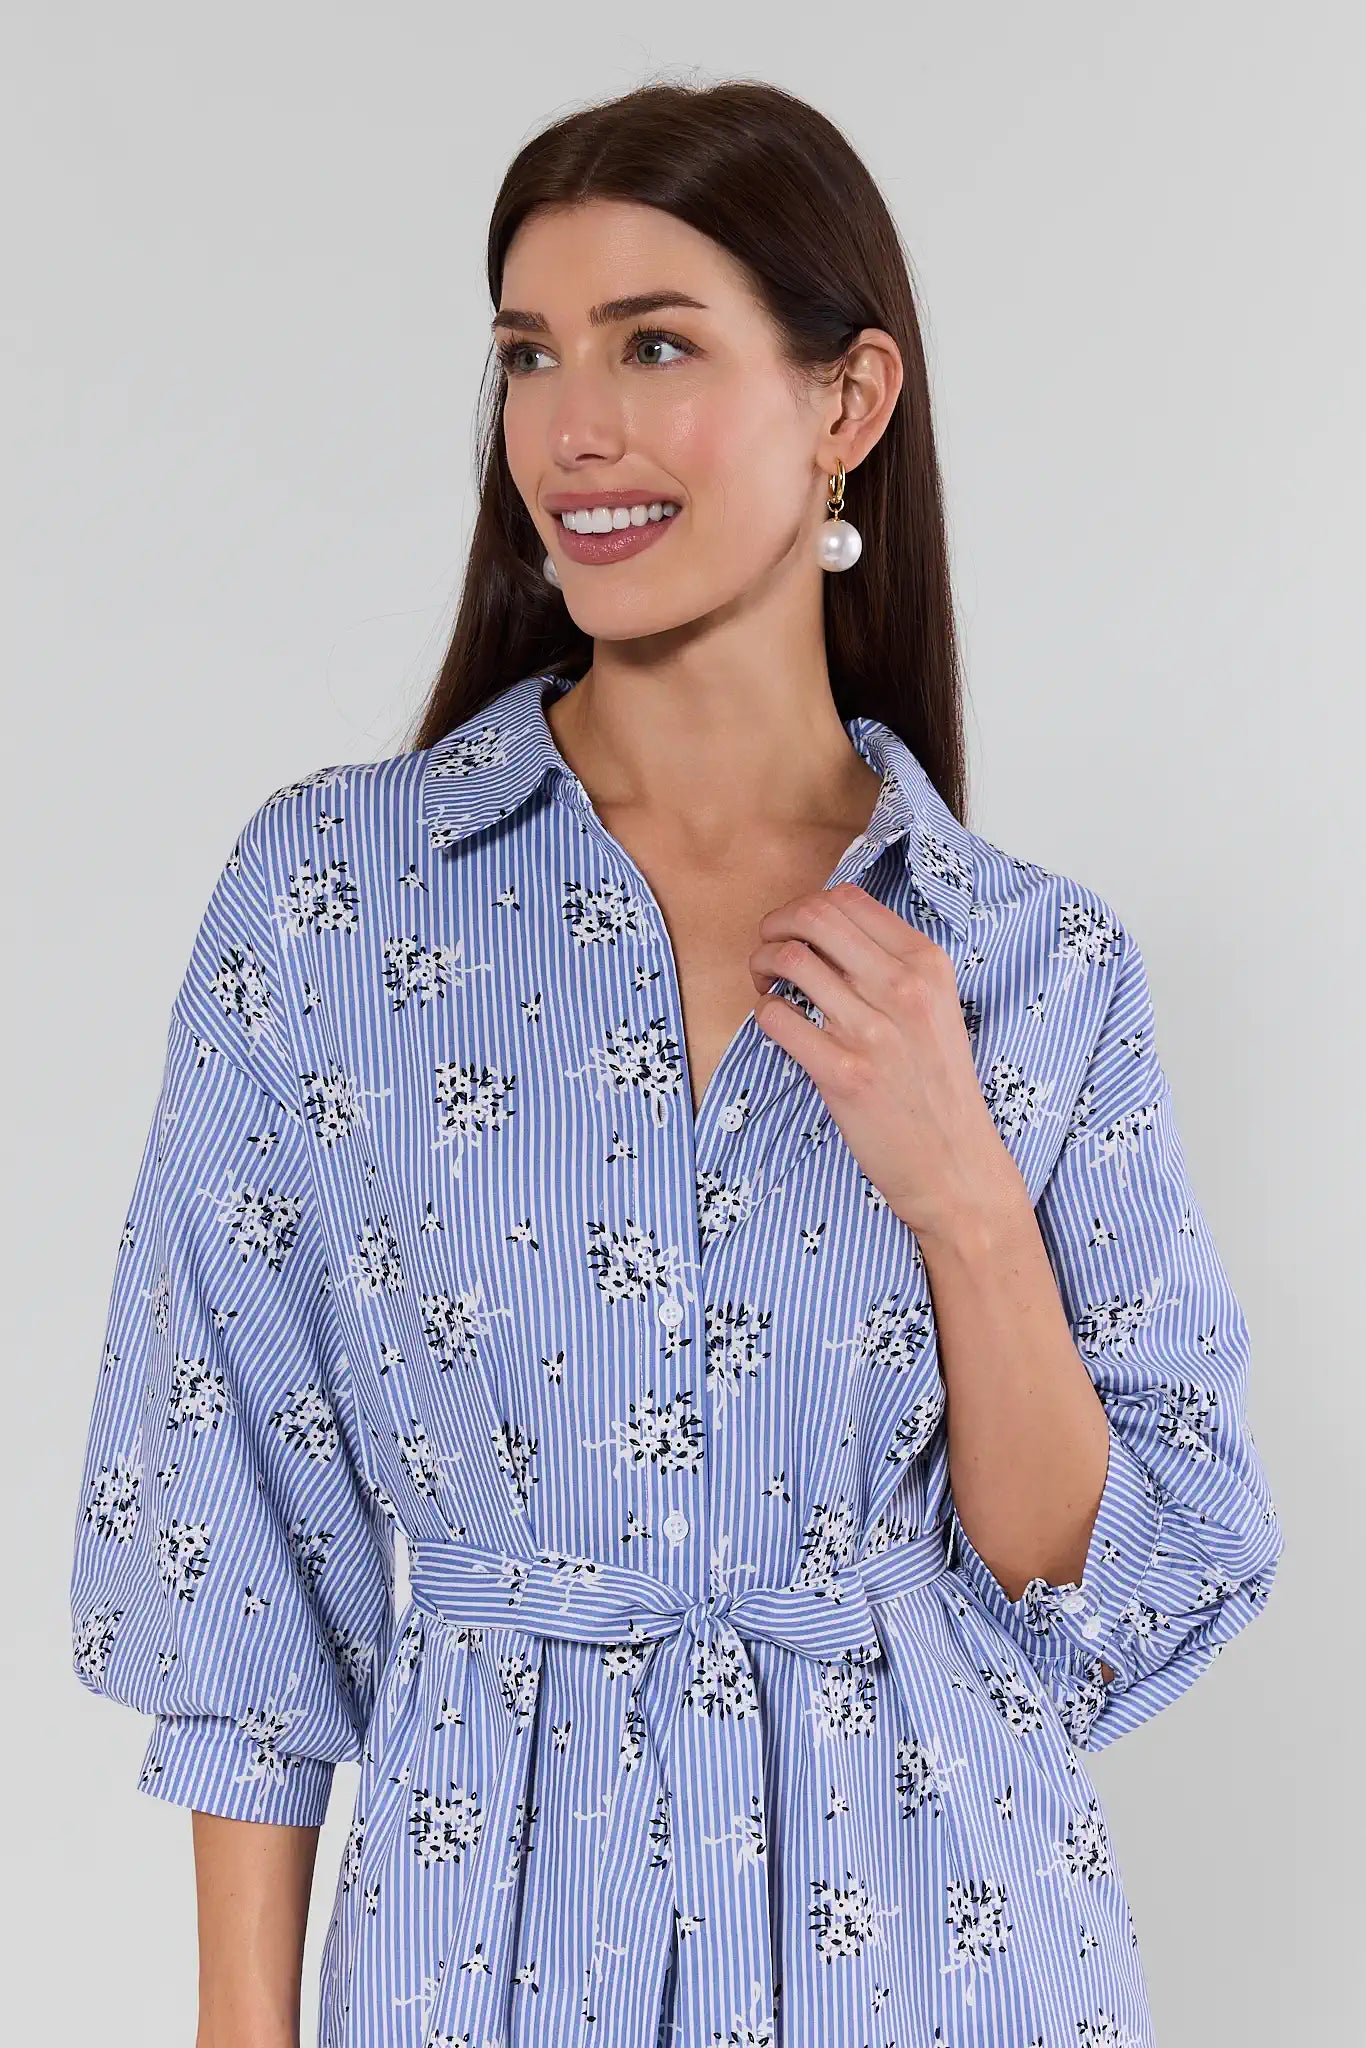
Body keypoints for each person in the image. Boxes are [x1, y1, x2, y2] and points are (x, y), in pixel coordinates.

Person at [68, 76, 1284, 2048]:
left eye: (652, 345)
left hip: (939, 1963)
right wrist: (237, 2024)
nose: (573, 426)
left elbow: (1102, 1601)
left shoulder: (1027, 966)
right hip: (479, 1958)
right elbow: (229, 1518)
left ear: (845, 402)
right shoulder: (334, 903)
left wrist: (963, 1197)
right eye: (528, 354)